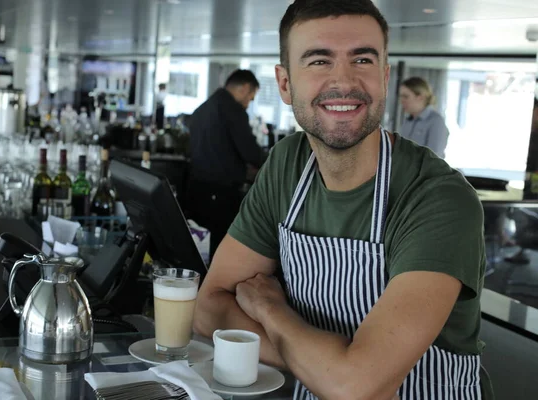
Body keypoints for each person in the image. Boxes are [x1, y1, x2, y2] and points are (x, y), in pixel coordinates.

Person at [194, 1, 491, 399]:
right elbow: (209, 309)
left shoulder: (438, 199)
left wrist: (272, 312)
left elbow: (357, 389)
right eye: (319, 61)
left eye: (363, 60)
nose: (344, 81)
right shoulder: (287, 164)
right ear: (285, 84)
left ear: (384, 78)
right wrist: (330, 365)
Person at [187, 69, 265, 259]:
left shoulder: (204, 108)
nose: (249, 103)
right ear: (245, 88)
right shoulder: (233, 110)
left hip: (196, 188)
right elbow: (250, 151)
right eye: (251, 97)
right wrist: (275, 162)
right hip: (220, 193)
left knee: (200, 246)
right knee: (220, 248)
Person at [399, 76, 450, 158]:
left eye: (406, 96)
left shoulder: (436, 121)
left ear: (420, 97)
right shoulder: (408, 121)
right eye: (401, 96)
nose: (401, 101)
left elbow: (434, 158)